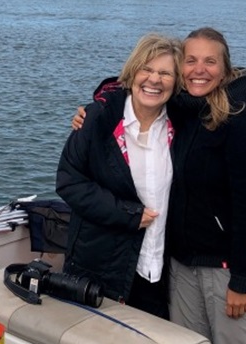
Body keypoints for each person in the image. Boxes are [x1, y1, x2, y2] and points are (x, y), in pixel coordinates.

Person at [72, 27, 246, 344]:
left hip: (229, 272)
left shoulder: (243, 124)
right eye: (191, 61)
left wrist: (243, 279)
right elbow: (136, 86)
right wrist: (97, 107)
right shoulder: (186, 110)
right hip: (183, 267)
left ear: (225, 69)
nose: (198, 70)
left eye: (210, 62)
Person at [55, 33, 183, 319]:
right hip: (102, 264)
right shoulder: (97, 119)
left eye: (165, 73)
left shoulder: (183, 125)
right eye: (146, 69)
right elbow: (69, 181)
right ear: (131, 73)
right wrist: (129, 215)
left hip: (160, 268)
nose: (154, 80)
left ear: (176, 83)